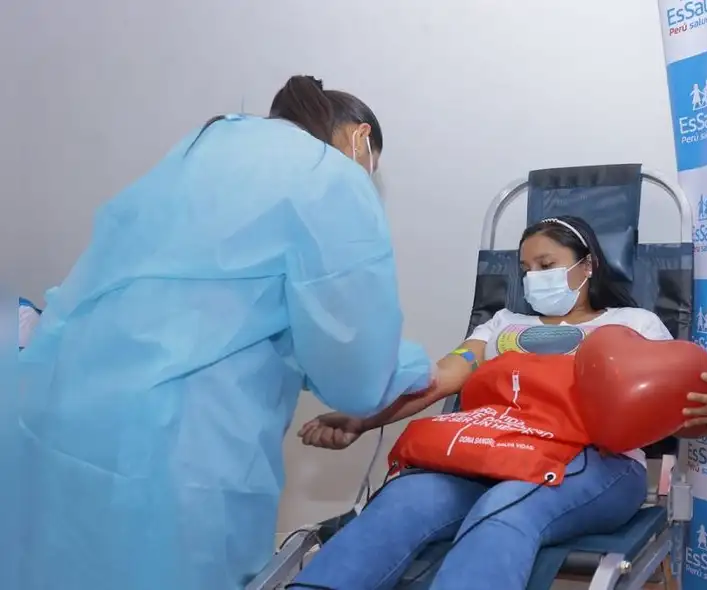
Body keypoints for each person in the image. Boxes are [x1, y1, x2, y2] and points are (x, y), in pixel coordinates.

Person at [5, 75, 434, 590]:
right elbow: (355, 368)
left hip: (53, 410)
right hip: (172, 445)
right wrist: (423, 370)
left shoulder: (201, 148)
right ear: (360, 138)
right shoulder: (331, 176)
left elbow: (221, 316)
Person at [292, 216, 707, 590]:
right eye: (527, 268)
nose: (534, 276)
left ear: (587, 266)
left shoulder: (634, 325)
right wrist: (363, 418)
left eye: (547, 263)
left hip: (592, 461)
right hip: (489, 453)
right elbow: (437, 379)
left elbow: (676, 403)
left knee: (508, 506)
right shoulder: (501, 326)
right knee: (404, 498)